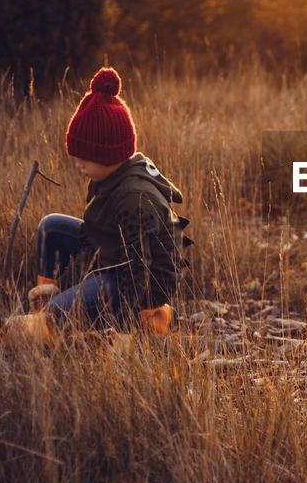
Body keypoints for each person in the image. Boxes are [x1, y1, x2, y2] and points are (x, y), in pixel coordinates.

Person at [18, 67, 189, 338]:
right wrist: (60, 285)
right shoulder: (106, 178)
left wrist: (120, 330)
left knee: (58, 313)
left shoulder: (136, 199)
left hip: (140, 285)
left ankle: (153, 319)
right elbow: (93, 244)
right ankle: (43, 316)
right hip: (114, 260)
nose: (78, 164)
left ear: (107, 153)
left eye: (85, 157)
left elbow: (137, 271)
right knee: (51, 226)